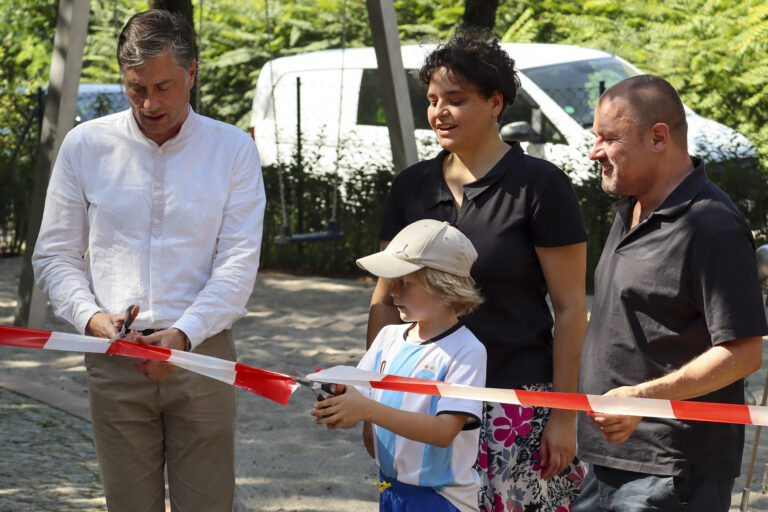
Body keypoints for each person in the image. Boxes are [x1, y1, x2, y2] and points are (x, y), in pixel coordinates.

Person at [32, 10, 265, 512]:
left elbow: (238, 265)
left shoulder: (232, 151)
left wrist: (183, 335)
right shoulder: (86, 145)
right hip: (115, 357)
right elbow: (54, 255)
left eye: (164, 86)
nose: (150, 103)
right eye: (135, 88)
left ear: (192, 74)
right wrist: (91, 317)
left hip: (202, 354)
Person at [366, 36, 588, 510]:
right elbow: (384, 301)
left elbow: (570, 308)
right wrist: (377, 405)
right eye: (432, 100)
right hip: (424, 406)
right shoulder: (410, 187)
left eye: (456, 99)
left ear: (495, 102)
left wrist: (564, 415)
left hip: (516, 406)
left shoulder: (541, 186)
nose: (439, 112)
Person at [572, 75, 767, 512]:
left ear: (658, 137)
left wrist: (644, 399)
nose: (594, 151)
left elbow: (744, 353)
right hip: (606, 462)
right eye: (594, 137)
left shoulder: (713, 226)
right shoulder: (631, 205)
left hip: (670, 473)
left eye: (608, 139)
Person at [312, 219, 486, 512]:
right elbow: (360, 396)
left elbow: (444, 432)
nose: (392, 291)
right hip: (390, 488)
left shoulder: (467, 350)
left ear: (443, 286)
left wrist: (366, 410)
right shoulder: (389, 337)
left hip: (441, 498)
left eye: (403, 282)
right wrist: (337, 404)